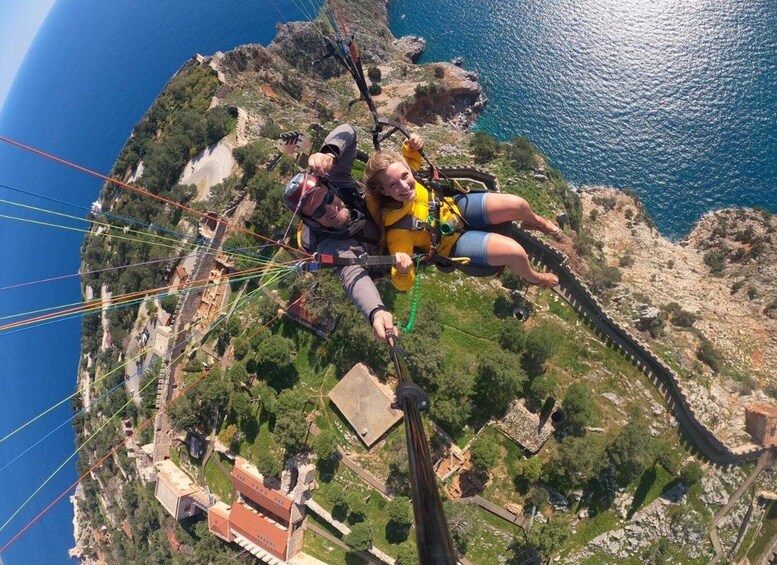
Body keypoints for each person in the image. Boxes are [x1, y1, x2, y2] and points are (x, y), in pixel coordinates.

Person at [364, 136, 560, 291]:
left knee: (519, 204)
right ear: (383, 191)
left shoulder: (405, 176)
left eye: (405, 176)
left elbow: (411, 159)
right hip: (451, 245)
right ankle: (535, 278)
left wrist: (413, 145)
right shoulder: (398, 230)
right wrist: (404, 271)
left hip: (454, 208)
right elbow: (403, 283)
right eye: (393, 185)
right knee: (516, 253)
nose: (404, 186)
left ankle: (536, 222)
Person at [282, 124, 396, 341]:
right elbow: (351, 275)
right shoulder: (330, 246)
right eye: (318, 211)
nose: (330, 209)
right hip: (396, 255)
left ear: (330, 189)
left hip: (397, 224)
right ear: (310, 221)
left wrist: (328, 154)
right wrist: (376, 311)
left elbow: (349, 131)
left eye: (326, 199)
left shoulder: (339, 182)